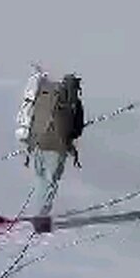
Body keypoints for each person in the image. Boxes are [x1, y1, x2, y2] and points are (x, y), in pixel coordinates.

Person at [17, 72, 86, 233]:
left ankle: (38, 212)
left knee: (40, 178)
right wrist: (70, 137)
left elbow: (33, 117)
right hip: (58, 147)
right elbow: (77, 130)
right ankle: (41, 218)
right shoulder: (74, 102)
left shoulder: (46, 95)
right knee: (50, 181)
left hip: (38, 142)